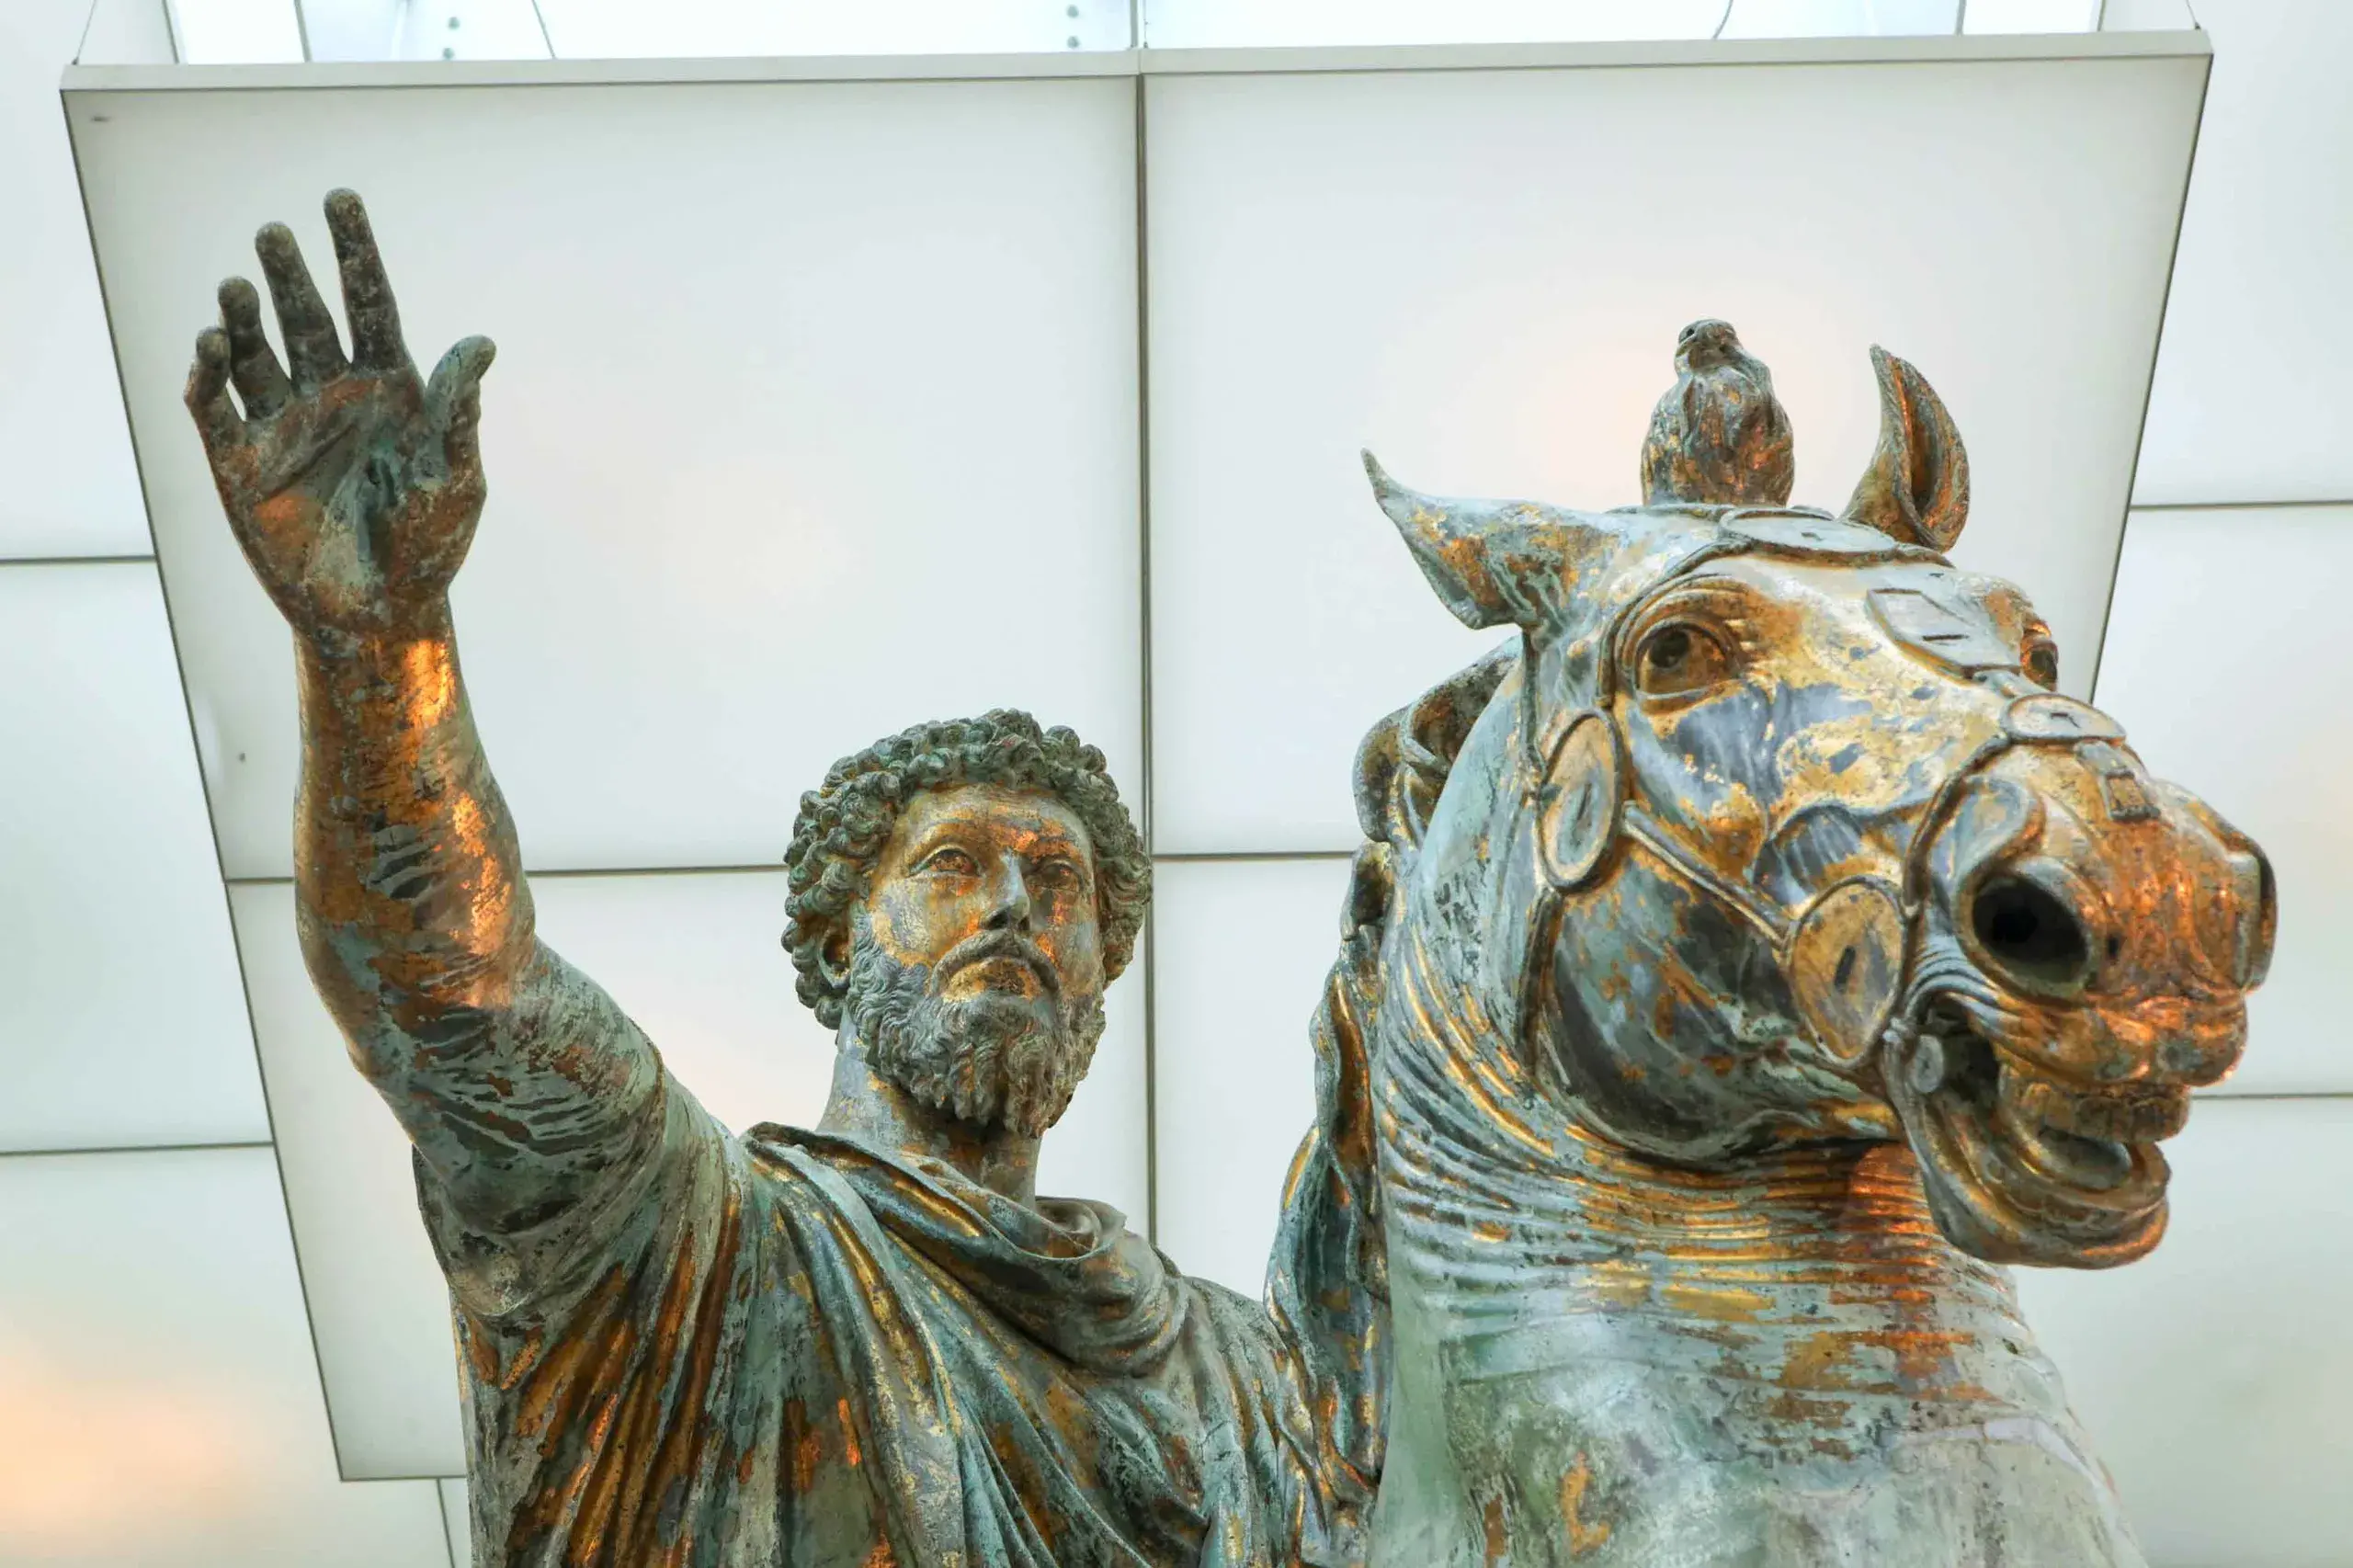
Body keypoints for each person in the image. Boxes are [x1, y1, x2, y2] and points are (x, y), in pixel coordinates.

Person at [185, 190, 1384, 1568]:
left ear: (1099, 990)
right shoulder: (683, 1237)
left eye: (1059, 884)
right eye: (954, 864)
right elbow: (452, 994)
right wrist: (377, 651)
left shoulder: (1238, 1375)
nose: (1014, 904)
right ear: (834, 944)